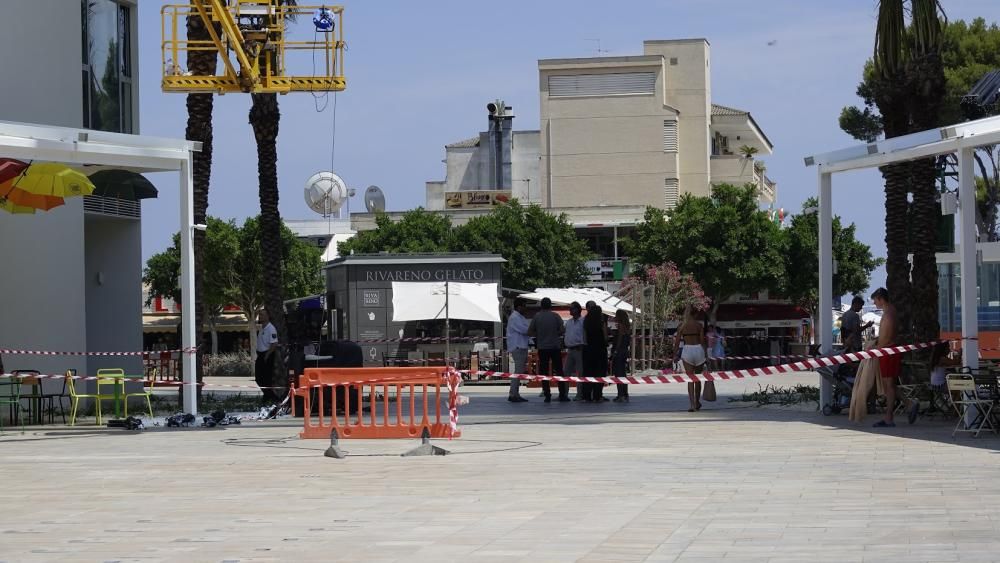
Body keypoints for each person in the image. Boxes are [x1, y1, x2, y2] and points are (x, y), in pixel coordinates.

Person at [871, 287, 901, 428]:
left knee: (888, 385)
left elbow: (886, 339)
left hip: (887, 352)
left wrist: (875, 347)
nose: (875, 304)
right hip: (889, 351)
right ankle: (907, 404)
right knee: (890, 385)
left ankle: (889, 417)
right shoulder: (891, 311)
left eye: (875, 301)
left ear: (881, 299)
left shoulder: (888, 314)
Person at [528, 297, 568, 402]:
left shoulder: (537, 317)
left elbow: (530, 331)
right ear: (550, 305)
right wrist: (555, 334)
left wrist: (539, 335)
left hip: (543, 348)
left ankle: (547, 394)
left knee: (544, 372)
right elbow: (563, 330)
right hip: (555, 347)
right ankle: (562, 394)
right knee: (559, 370)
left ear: (541, 305)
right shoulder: (555, 316)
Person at [674, 305, 706, 412]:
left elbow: (677, 342)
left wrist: (674, 355)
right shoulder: (699, 325)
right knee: (698, 379)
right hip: (698, 350)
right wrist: (706, 355)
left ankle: (692, 405)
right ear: (695, 314)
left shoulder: (681, 326)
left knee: (690, 379)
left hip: (687, 350)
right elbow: (702, 341)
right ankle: (697, 402)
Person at [581, 301, 608, 402]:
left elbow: (584, 337)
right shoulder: (601, 322)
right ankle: (597, 395)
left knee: (588, 372)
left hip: (588, 350)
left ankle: (586, 395)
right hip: (600, 350)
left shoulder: (586, 322)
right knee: (599, 372)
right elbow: (605, 337)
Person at [506, 298, 531, 402]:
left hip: (522, 346)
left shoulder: (520, 317)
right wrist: (534, 330)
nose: (526, 308)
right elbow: (525, 330)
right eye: (524, 306)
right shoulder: (515, 317)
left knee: (519, 371)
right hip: (518, 346)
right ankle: (513, 394)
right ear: (519, 306)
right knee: (518, 372)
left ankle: (515, 393)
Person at [255, 308, 279, 404]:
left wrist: (267, 355)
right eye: (260, 314)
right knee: (259, 378)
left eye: (263, 315)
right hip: (260, 354)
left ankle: (273, 398)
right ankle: (268, 396)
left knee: (265, 379)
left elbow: (274, 343)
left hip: (267, 355)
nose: (261, 316)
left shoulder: (271, 328)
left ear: (268, 316)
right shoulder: (262, 328)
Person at [563, 302, 586, 400]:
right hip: (570, 350)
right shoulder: (568, 322)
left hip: (579, 349)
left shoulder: (583, 321)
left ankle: (579, 394)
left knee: (580, 373)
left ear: (577, 309)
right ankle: (564, 394)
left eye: (572, 308)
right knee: (566, 372)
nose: (570, 310)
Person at [612, 309, 632, 402]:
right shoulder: (627, 326)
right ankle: (625, 393)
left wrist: (616, 350)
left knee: (618, 373)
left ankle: (620, 395)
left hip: (620, 351)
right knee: (623, 373)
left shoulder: (620, 326)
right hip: (625, 351)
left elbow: (619, 339)